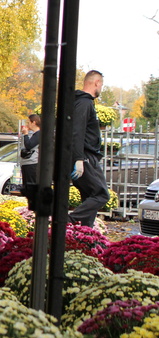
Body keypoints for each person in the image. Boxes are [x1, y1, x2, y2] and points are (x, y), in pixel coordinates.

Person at [70, 70, 110, 227]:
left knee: (90, 196)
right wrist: (79, 158)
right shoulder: (84, 103)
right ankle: (69, 220)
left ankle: (86, 235)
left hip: (85, 155)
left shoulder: (81, 102)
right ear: (97, 83)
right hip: (86, 156)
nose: (101, 88)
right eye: (102, 85)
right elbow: (77, 131)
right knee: (101, 194)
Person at [19, 113, 41, 186]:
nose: (27, 125)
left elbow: (29, 145)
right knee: (26, 185)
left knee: (30, 185)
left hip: (32, 163)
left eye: (28, 122)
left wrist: (25, 134)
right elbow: (23, 145)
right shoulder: (33, 134)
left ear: (34, 122)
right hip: (26, 162)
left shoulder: (39, 134)